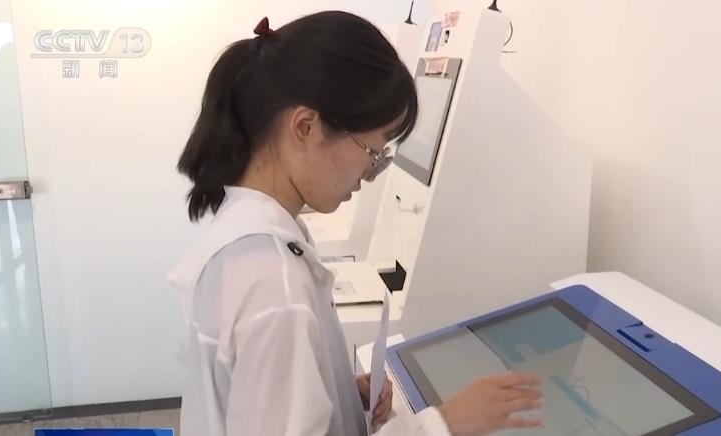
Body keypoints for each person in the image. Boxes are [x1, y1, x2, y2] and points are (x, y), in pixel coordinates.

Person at [168, 11, 543, 436]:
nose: (370, 174)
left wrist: (337, 392)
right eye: (373, 151)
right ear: (306, 127)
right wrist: (444, 424)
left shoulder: (250, 236)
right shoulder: (274, 284)